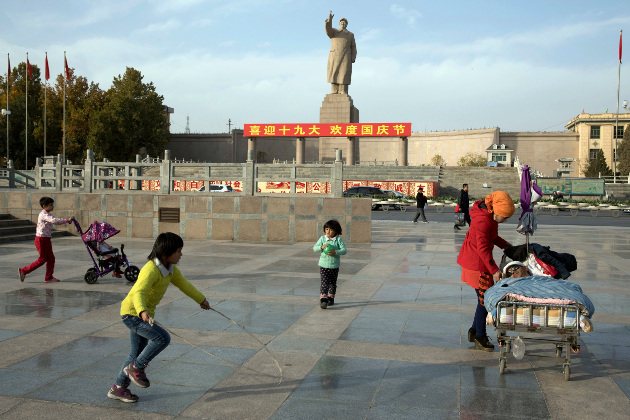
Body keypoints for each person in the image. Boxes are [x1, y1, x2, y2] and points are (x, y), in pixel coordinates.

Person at [107, 232, 211, 403]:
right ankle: (136, 368)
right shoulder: (150, 269)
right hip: (132, 314)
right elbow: (138, 292)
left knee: (136, 352)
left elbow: (185, 285)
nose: (181, 254)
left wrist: (201, 299)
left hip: (143, 316)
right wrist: (141, 311)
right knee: (162, 338)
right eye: (178, 251)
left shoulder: (171, 270)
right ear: (165, 253)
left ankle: (119, 387)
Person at [457, 191, 514, 351]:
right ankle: (480, 337)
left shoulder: (489, 218)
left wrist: (507, 246)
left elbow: (493, 237)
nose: (506, 220)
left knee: (483, 299)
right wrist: (495, 270)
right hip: (476, 264)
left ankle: (474, 331)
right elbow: (482, 248)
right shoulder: (483, 221)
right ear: (496, 211)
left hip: (478, 263)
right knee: (485, 301)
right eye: (505, 216)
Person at [18, 197, 75, 283]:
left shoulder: (48, 213)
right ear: (44, 206)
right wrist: (66, 220)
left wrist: (66, 221)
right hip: (41, 239)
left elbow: (56, 221)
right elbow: (54, 221)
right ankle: (23, 270)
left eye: (53, 205)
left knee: (51, 258)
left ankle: (49, 277)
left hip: (46, 239)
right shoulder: (43, 214)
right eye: (51, 205)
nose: (53, 207)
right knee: (42, 259)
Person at [313, 219, 347, 309]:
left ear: (336, 231)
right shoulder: (322, 239)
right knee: (324, 282)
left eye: (331, 230)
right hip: (323, 265)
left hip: (334, 266)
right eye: (327, 229)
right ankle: (323, 299)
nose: (328, 231)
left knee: (332, 283)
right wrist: (321, 247)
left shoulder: (339, 240)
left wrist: (335, 252)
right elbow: (314, 248)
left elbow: (344, 250)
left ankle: (331, 297)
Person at [325, 11, 356, 94]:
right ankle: (334, 89)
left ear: (346, 24)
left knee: (344, 73)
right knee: (333, 72)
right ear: (339, 23)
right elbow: (328, 30)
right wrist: (329, 20)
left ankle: (343, 90)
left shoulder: (350, 34)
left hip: (346, 56)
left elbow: (353, 46)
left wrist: (353, 57)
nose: (343, 23)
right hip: (334, 55)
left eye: (344, 22)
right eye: (341, 22)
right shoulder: (334, 32)